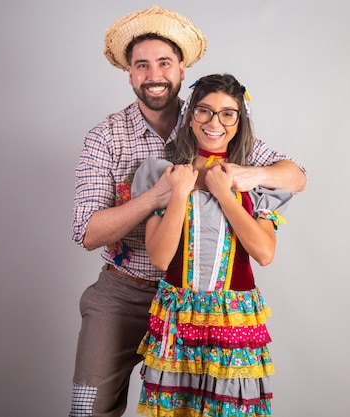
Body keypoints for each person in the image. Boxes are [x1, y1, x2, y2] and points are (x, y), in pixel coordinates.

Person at [70, 6, 306, 417]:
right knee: (88, 407)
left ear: (182, 69)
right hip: (126, 290)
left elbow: (295, 176)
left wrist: (242, 179)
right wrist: (159, 195)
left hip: (204, 304)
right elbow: (87, 233)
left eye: (164, 62)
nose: (154, 74)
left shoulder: (209, 119)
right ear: (129, 73)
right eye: (141, 65)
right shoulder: (106, 137)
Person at [131, 73, 290, 417]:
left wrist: (224, 194)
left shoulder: (255, 181)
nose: (214, 122)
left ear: (238, 121)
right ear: (190, 117)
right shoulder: (163, 173)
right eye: (204, 111)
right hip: (178, 315)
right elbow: (160, 258)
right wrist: (178, 193)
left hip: (233, 319)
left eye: (227, 113)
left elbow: (263, 253)